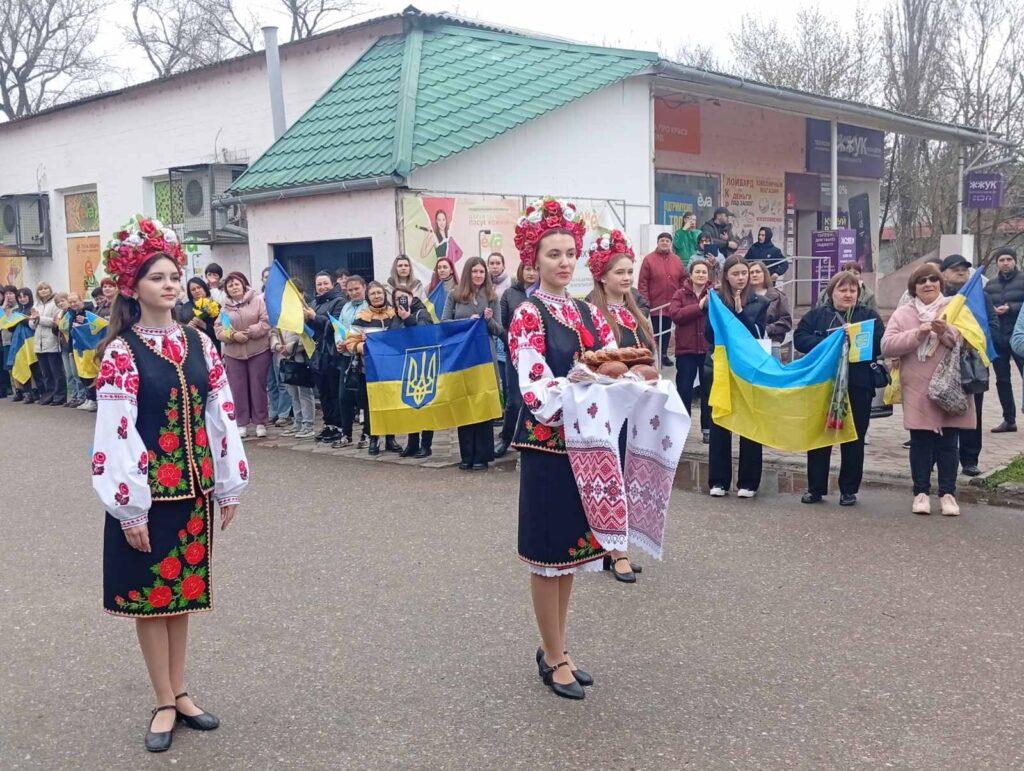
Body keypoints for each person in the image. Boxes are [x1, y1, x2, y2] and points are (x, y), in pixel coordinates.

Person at [91, 215, 247, 753]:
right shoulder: (120, 353)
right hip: (148, 494)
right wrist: (128, 507)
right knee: (149, 599)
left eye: (174, 276)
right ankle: (162, 698)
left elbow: (220, 413)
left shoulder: (200, 342)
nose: (171, 284)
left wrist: (228, 483)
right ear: (134, 289)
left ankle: (180, 692)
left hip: (195, 489)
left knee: (181, 596)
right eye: (158, 277)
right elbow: (115, 431)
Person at [508, 197, 617, 700]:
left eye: (570, 252)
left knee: (572, 553)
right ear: (535, 260)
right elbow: (536, 389)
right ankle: (552, 656)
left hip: (586, 444)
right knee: (547, 553)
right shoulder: (526, 314)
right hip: (548, 445)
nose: (564, 261)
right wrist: (583, 380)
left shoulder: (588, 311)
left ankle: (559, 646)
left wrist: (624, 377)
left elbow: (613, 363)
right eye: (554, 254)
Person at [586, 229, 655, 584]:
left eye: (630, 272)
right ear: (602, 276)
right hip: (606, 408)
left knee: (626, 476)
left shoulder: (634, 312)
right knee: (610, 476)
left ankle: (610, 545)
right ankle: (617, 552)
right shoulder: (590, 312)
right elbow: (587, 362)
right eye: (620, 272)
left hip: (634, 408)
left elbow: (647, 355)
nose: (627, 278)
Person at [881, 263, 974, 516]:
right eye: (922, 281)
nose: (928, 284)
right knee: (921, 443)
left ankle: (948, 494)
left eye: (933, 279)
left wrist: (948, 332)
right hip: (917, 388)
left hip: (950, 386)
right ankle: (920, 492)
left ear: (940, 283)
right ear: (914, 287)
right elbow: (887, 346)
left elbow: (973, 341)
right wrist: (917, 334)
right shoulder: (903, 313)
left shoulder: (955, 308)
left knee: (948, 443)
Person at [795, 271, 884, 506]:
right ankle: (815, 488)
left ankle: (848, 489)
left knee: (854, 437)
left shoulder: (869, 316)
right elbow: (800, 339)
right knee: (820, 436)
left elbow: (879, 343)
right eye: (842, 290)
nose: (848, 294)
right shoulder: (816, 316)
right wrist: (828, 339)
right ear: (831, 292)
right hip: (823, 384)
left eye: (852, 290)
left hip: (858, 384)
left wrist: (854, 337)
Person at [706, 256, 769, 498]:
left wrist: (740, 313)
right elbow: (709, 334)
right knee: (720, 422)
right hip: (721, 369)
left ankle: (748, 481)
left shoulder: (760, 302)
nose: (741, 277)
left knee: (750, 423)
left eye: (744, 273)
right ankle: (719, 480)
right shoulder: (716, 301)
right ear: (726, 277)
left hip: (749, 370)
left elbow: (756, 333)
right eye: (735, 274)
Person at [442, 255, 502, 470]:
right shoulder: (454, 295)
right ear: (468, 273)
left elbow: (499, 330)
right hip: (463, 357)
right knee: (465, 403)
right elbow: (445, 325)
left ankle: (482, 456)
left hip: (485, 356)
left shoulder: (492, 296)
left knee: (482, 403)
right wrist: (466, 323)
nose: (478, 275)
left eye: (481, 272)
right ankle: (467, 455)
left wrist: (488, 320)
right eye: (475, 271)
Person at [942, 254, 997, 476]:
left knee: (973, 411)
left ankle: (970, 459)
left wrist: (979, 342)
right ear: (943, 272)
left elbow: (993, 324)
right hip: (943, 363)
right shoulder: (937, 296)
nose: (961, 272)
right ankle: (942, 457)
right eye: (955, 268)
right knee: (942, 408)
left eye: (965, 268)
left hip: (973, 363)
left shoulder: (981, 297)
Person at [345, 281, 401, 455]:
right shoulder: (361, 316)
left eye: (380, 293)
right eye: (373, 294)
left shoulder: (395, 315)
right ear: (368, 297)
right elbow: (351, 342)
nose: (377, 296)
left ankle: (391, 439)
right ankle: (373, 438)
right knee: (371, 406)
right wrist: (365, 348)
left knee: (391, 404)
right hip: (368, 369)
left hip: (391, 369)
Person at [214, 272, 271, 439]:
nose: (234, 287)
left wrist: (251, 332)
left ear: (244, 284)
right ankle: (241, 422)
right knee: (237, 388)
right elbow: (220, 329)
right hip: (234, 353)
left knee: (257, 386)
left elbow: (266, 321)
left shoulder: (257, 301)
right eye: (230, 285)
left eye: (237, 284)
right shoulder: (224, 307)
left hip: (258, 349)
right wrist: (232, 336)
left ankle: (260, 422)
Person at [496, 261, 538, 458]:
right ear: (521, 270)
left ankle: (530, 438)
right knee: (513, 400)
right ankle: (506, 437)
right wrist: (512, 342)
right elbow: (502, 324)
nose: (532, 273)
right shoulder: (510, 294)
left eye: (535, 269)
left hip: (539, 356)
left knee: (536, 397)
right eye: (528, 269)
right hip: (515, 355)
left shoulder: (543, 293)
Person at [668, 258, 712, 443]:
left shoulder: (714, 293)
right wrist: (699, 307)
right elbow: (676, 315)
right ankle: (682, 427)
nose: (701, 275)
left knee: (707, 390)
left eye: (704, 272)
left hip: (707, 349)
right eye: (698, 272)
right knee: (684, 389)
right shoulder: (680, 294)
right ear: (691, 274)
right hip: (686, 350)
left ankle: (707, 429)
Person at [389, 285, 436, 458]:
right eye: (397, 298)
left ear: (411, 296)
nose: (401, 300)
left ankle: (426, 445)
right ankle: (412, 443)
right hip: (404, 366)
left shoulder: (421, 313)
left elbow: (424, 335)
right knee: (409, 406)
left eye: (404, 296)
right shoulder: (395, 318)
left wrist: (408, 318)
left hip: (423, 366)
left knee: (424, 405)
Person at [983, 247, 1024, 433]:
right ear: (997, 263)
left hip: (1019, 337)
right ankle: (1009, 419)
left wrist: (1012, 308)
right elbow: (984, 305)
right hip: (998, 338)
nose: (1005, 262)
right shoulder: (990, 285)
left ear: (1015, 261)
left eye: (1008, 259)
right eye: (1001, 260)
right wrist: (994, 310)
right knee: (1002, 380)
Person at [271, 279, 316, 440]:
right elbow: (274, 332)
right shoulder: (281, 311)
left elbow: (307, 336)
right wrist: (277, 346)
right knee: (292, 392)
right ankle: (297, 421)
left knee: (304, 392)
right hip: (284, 358)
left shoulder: (306, 312)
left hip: (300, 357)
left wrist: (289, 348)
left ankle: (308, 423)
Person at [305, 271, 347, 443]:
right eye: (319, 284)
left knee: (334, 390)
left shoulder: (340, 301)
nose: (322, 287)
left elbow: (334, 325)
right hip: (316, 352)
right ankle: (328, 423)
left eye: (325, 283)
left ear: (332, 284)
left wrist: (314, 317)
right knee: (323, 391)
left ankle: (339, 425)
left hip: (332, 352)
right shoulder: (313, 302)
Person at [638, 231, 686, 367]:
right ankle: (653, 356)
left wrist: (681, 295)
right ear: (658, 243)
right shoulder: (649, 259)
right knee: (655, 331)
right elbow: (643, 282)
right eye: (662, 240)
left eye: (667, 241)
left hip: (672, 303)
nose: (665, 243)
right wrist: (644, 301)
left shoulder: (676, 260)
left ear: (670, 244)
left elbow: (683, 278)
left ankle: (664, 354)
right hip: (655, 303)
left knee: (666, 330)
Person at [334, 276, 369, 448]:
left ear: (364, 287)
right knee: (344, 397)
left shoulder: (369, 306)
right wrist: (339, 342)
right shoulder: (346, 307)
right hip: (347, 358)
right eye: (350, 290)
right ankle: (346, 434)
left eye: (357, 289)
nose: (354, 292)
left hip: (362, 359)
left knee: (363, 398)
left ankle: (367, 434)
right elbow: (338, 328)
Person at [30, 281, 67, 406]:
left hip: (52, 341)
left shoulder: (55, 303)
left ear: (50, 290)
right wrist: (34, 319)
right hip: (39, 343)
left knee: (56, 371)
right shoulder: (36, 305)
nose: (44, 291)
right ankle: (49, 394)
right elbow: (32, 324)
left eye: (46, 288)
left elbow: (55, 321)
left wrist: (39, 319)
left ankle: (60, 394)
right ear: (38, 292)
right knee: (45, 372)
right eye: (41, 289)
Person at [748, 260, 793, 347]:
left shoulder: (779, 296)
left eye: (758, 272)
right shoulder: (742, 297)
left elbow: (786, 321)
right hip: (748, 342)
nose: (754, 275)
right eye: (751, 272)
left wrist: (768, 329)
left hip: (772, 341)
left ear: (765, 274)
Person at [176, 277, 221, 353]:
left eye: (199, 287)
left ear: (205, 288)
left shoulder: (217, 306)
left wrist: (204, 325)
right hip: (193, 348)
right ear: (190, 293)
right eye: (193, 290)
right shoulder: (185, 307)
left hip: (213, 347)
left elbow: (225, 332)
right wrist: (187, 328)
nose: (197, 291)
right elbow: (178, 330)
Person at [0, 284, 17, 398]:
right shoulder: (3, 308)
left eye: (10, 294)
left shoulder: (16, 307)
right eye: (6, 294)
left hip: (14, 339)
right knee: (7, 365)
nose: (7, 296)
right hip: (5, 339)